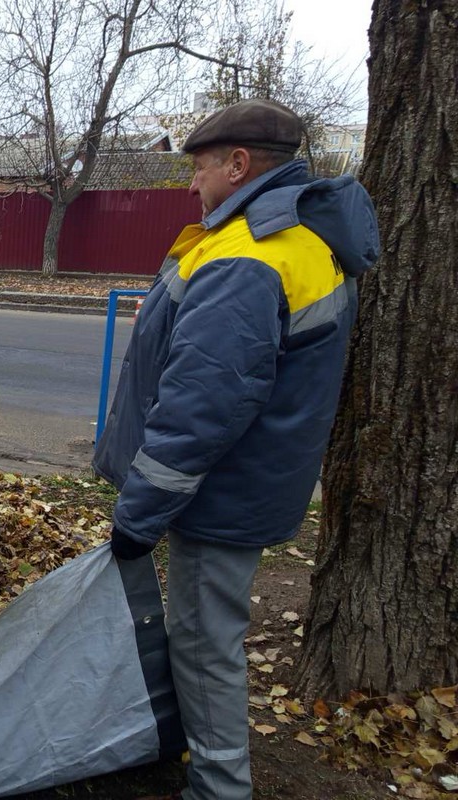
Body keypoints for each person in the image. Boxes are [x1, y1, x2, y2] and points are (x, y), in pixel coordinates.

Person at [93, 99, 379, 800]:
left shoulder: (251, 254)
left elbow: (204, 407)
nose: (192, 184)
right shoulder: (294, 238)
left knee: (203, 640)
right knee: (203, 633)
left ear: (238, 164)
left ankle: (220, 787)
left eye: (198, 168)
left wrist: (139, 514)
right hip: (251, 476)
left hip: (224, 488)